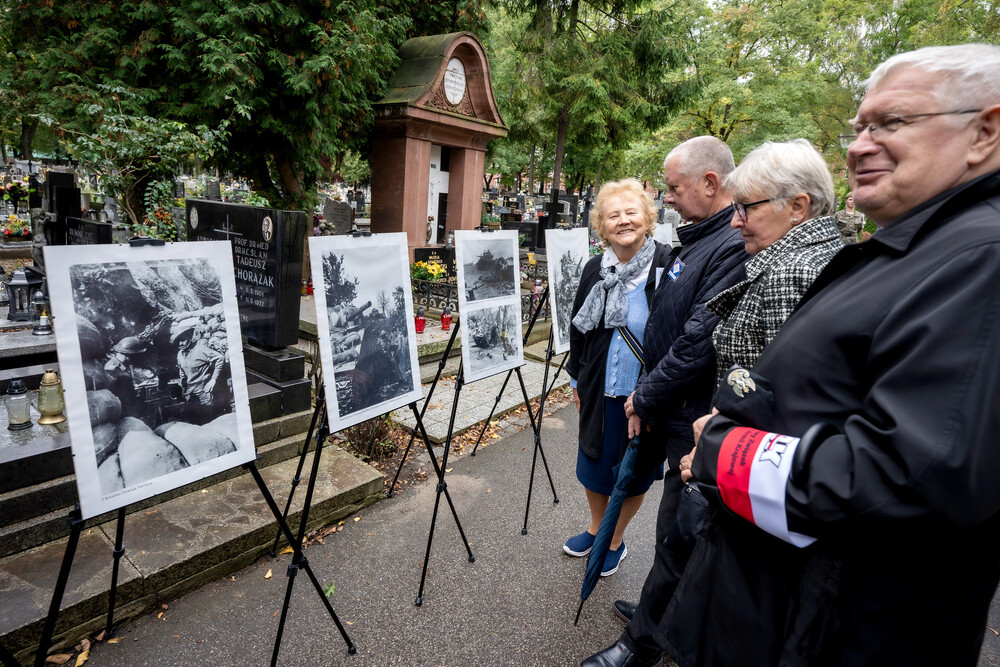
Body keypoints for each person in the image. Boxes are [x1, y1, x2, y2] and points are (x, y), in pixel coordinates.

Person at [665, 43, 1000, 666]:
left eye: (891, 123)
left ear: (985, 130)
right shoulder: (924, 248)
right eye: (859, 127)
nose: (858, 145)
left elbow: (913, 475)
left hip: (832, 628)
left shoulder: (980, 259)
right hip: (788, 606)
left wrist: (724, 449)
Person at [582, 137, 748, 667]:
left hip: (682, 407)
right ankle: (659, 612)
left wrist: (645, 393)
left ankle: (646, 644)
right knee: (672, 526)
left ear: (709, 183)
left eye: (672, 189)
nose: (669, 197)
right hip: (660, 402)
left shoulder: (719, 246)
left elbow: (698, 338)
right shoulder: (702, 240)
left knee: (680, 528)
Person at [565, 178, 671, 576]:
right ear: (601, 225)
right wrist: (575, 378)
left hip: (642, 394)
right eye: (613, 215)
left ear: (647, 218)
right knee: (592, 464)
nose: (623, 221)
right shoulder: (596, 267)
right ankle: (596, 528)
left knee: (631, 472)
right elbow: (579, 328)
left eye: (631, 213)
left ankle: (615, 538)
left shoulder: (666, 266)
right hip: (598, 387)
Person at [708, 139, 843, 380]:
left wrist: (723, 418)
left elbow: (789, 391)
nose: (735, 222)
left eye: (747, 208)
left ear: (797, 207)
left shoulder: (793, 273)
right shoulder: (818, 257)